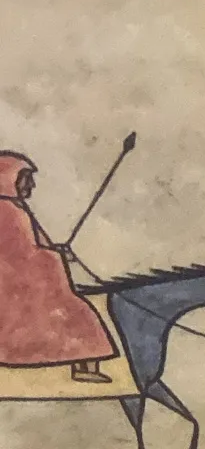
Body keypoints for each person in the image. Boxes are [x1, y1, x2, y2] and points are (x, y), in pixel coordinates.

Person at [0, 152, 116, 380]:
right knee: (79, 315)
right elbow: (21, 256)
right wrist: (53, 257)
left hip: (25, 287)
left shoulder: (16, 208)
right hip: (18, 289)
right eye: (26, 179)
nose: (31, 185)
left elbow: (36, 245)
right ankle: (85, 369)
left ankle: (85, 368)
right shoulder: (8, 211)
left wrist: (56, 250)